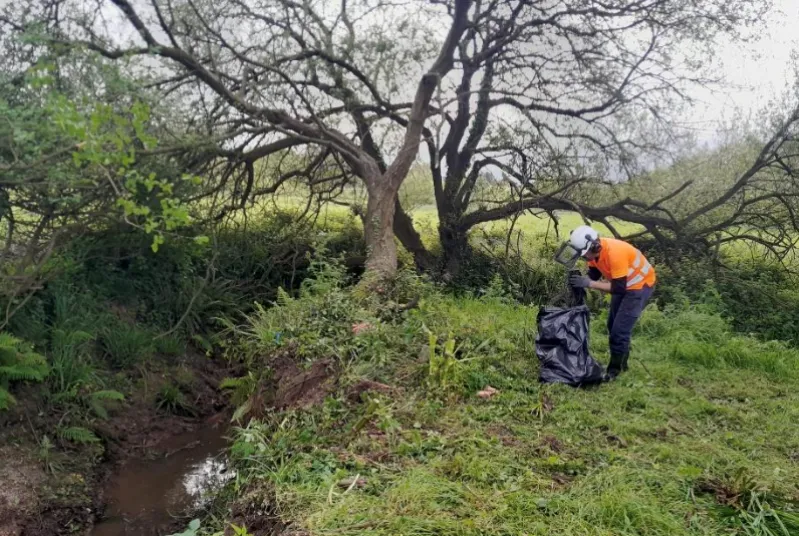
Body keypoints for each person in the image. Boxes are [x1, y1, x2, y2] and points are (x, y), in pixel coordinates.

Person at [567, 225, 656, 381]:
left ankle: (615, 371)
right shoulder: (594, 254)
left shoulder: (615, 254)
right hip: (623, 284)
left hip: (639, 286)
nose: (584, 257)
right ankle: (623, 363)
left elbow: (618, 289)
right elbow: (594, 274)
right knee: (612, 325)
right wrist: (582, 281)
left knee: (619, 331)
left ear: (594, 246)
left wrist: (589, 284)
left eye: (584, 254)